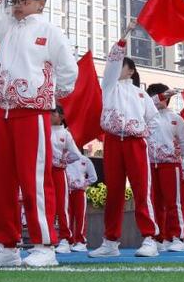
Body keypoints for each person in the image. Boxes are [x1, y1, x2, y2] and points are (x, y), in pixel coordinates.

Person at [0, 0, 79, 269]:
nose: (17, 5)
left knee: (34, 180)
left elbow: (68, 71)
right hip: (3, 114)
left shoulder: (50, 32)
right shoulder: (6, 29)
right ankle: (7, 246)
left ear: (40, 2)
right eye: (15, 0)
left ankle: (44, 245)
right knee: (4, 182)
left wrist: (45, 95)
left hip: (32, 114)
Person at [89, 40, 160, 258]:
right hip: (112, 142)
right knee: (114, 193)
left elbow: (154, 120)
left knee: (141, 191)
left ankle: (149, 238)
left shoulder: (142, 94)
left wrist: (143, 133)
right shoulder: (109, 86)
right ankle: (110, 241)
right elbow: (111, 65)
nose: (115, 68)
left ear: (130, 71)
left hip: (135, 143)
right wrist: (123, 40)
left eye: (121, 65)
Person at [147, 85, 184, 253]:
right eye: (153, 97)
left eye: (159, 97)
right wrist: (160, 95)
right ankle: (160, 238)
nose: (157, 100)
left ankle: (178, 237)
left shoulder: (176, 118)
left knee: (174, 202)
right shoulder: (147, 117)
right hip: (151, 164)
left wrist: (176, 154)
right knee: (155, 203)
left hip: (171, 164)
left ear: (167, 99)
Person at [50, 105, 82, 254]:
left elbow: (76, 154)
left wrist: (64, 160)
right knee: (45, 206)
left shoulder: (65, 134)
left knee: (62, 207)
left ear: (62, 117)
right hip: (44, 173)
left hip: (59, 173)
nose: (50, 115)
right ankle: (47, 240)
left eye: (53, 113)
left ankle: (65, 239)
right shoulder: (43, 130)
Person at [65, 153, 97, 252]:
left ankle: (81, 242)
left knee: (80, 217)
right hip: (67, 192)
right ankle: (68, 241)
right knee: (67, 217)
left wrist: (84, 184)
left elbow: (93, 177)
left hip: (79, 192)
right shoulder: (64, 159)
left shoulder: (85, 160)